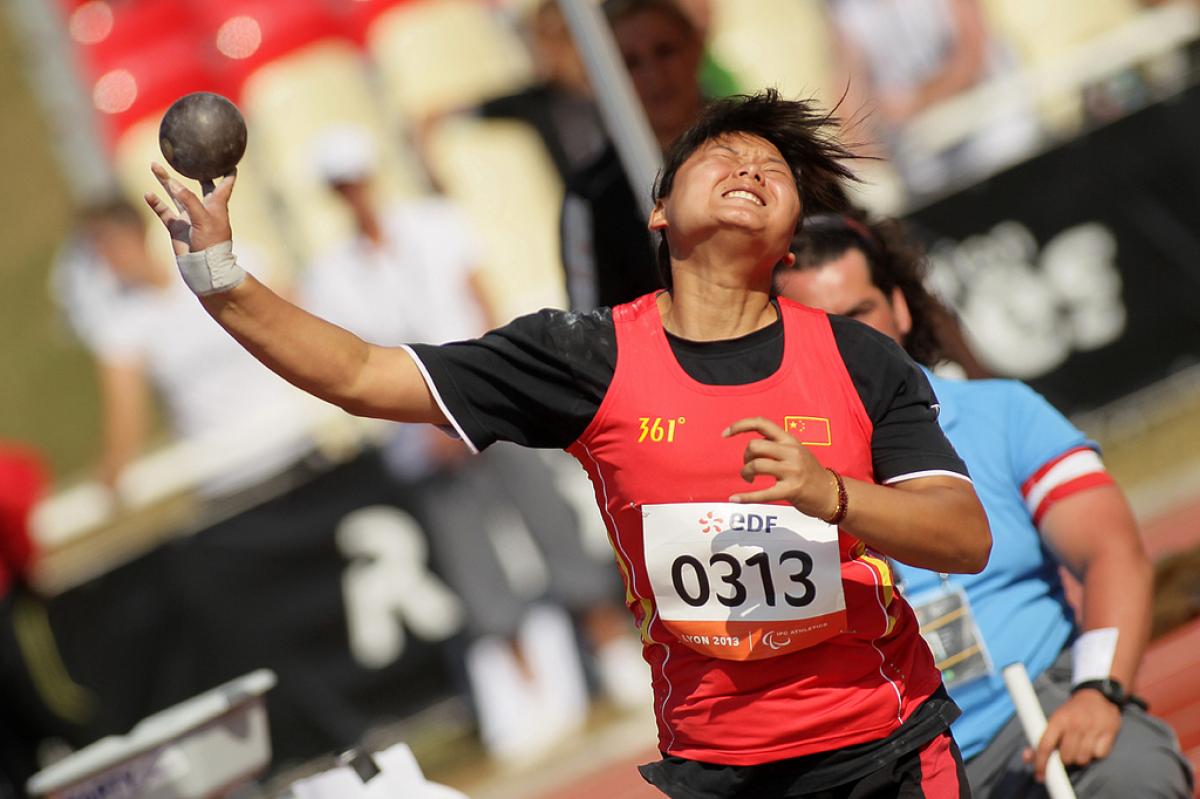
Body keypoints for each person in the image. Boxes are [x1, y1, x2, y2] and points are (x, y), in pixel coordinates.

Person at [143, 89, 991, 796]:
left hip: (887, 746)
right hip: (725, 770)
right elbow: (365, 373)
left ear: (793, 228)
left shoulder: (855, 356)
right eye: (724, 158)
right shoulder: (589, 355)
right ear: (660, 210)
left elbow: (963, 534)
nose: (751, 170)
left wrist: (829, 494)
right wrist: (220, 276)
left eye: (773, 169)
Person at [775, 211, 1194, 798]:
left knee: (1132, 775)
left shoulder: (1003, 413)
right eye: (821, 329)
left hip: (1036, 717)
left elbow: (1113, 552)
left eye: (861, 315)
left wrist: (1098, 691)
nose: (851, 347)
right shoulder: (768, 473)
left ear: (900, 307)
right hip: (888, 760)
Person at [302, 127, 638, 761]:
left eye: (357, 179)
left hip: (493, 406)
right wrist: (435, 421)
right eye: (342, 185)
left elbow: (482, 305)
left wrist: (480, 395)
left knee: (550, 523)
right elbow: (356, 365)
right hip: (420, 434)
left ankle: (610, 648)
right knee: (472, 562)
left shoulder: (433, 223)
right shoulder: (332, 274)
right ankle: (529, 691)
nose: (355, 194)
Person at [51, 199, 314, 499]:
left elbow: (303, 323)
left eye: (108, 242)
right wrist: (111, 472)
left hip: (296, 444)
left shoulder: (228, 264)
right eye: (95, 248)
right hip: (225, 482)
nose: (104, 257)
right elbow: (125, 415)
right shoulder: (121, 325)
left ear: (136, 232)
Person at [560, 0, 706, 311]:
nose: (654, 75)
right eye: (630, 63)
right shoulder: (590, 196)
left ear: (696, 47)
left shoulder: (765, 149)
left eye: (665, 51)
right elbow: (591, 324)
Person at [823, 0, 1040, 197]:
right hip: (921, 157)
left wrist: (916, 103)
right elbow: (850, 83)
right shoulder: (843, 9)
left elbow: (974, 50)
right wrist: (862, 161)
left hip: (993, 129)